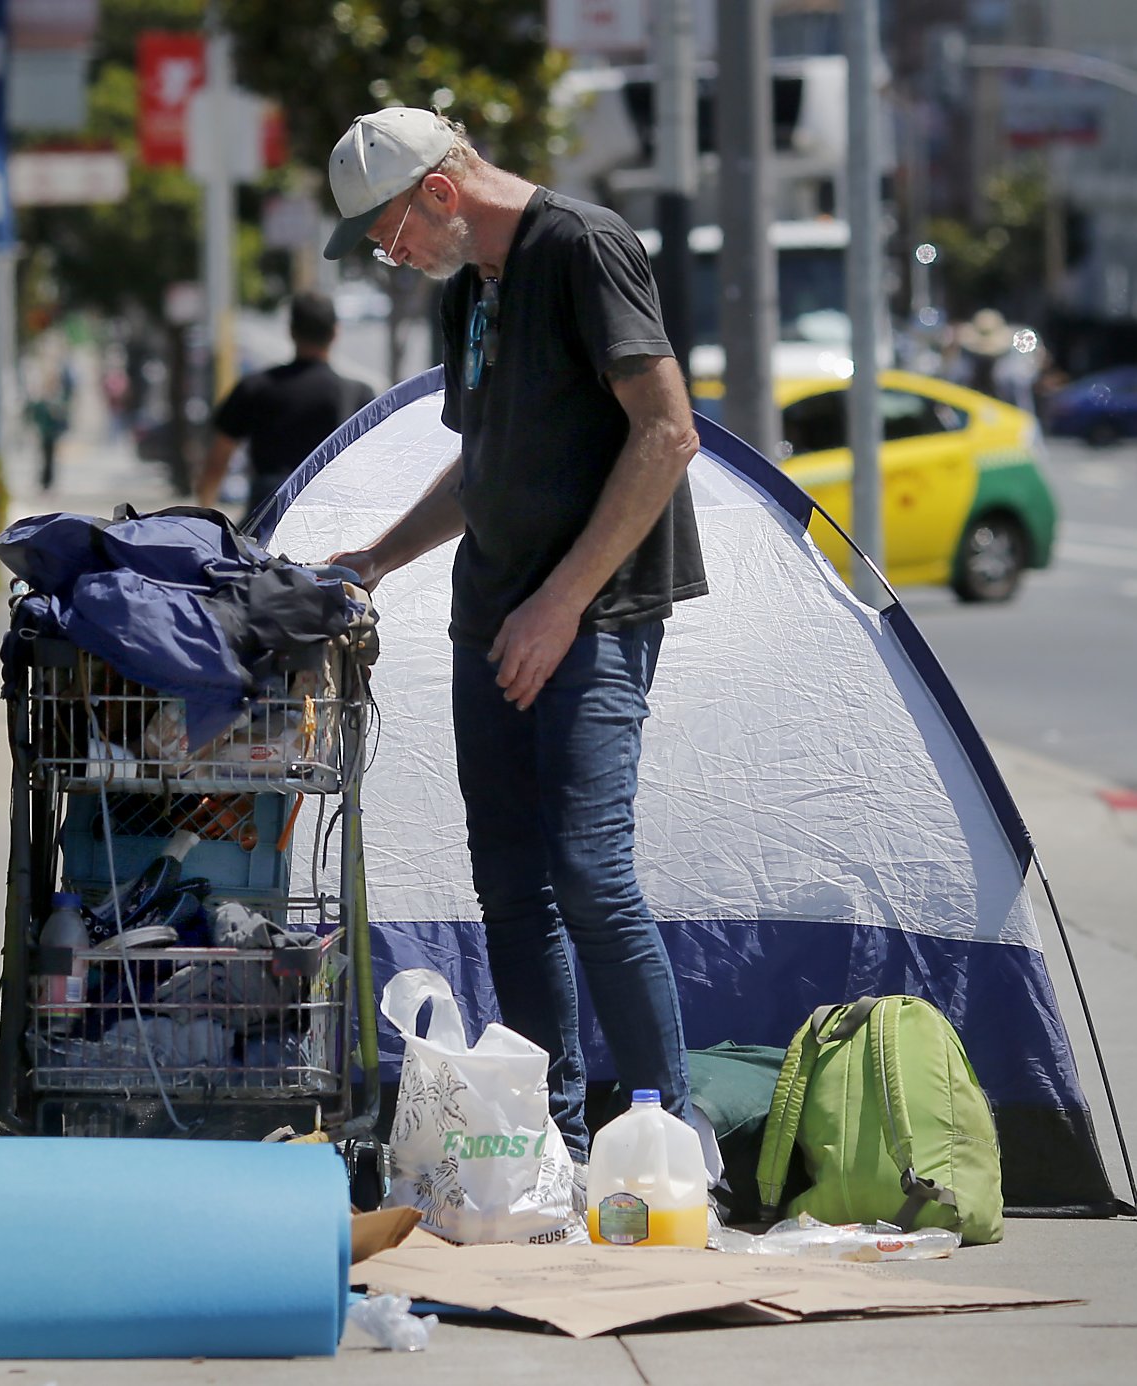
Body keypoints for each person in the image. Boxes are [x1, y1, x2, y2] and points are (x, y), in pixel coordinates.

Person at [320, 107, 708, 1167]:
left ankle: (664, 1140)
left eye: (387, 229)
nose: (385, 254)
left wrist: (560, 601)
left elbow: (665, 433)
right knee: (509, 881)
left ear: (439, 192)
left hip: (593, 611)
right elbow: (481, 462)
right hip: (489, 613)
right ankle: (557, 1141)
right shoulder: (466, 293)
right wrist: (381, 555)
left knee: (588, 872)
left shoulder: (580, 246)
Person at [195, 291, 375, 516]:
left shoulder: (255, 388)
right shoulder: (357, 395)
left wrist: (204, 512)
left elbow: (218, 458)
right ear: (335, 332)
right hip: (331, 519)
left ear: (291, 332)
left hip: (267, 515)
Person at [26, 354, 74, 491]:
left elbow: (61, 416)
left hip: (52, 433)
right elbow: (36, 413)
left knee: (51, 459)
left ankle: (48, 482)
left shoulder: (57, 401)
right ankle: (44, 481)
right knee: (43, 458)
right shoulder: (43, 402)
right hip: (44, 432)